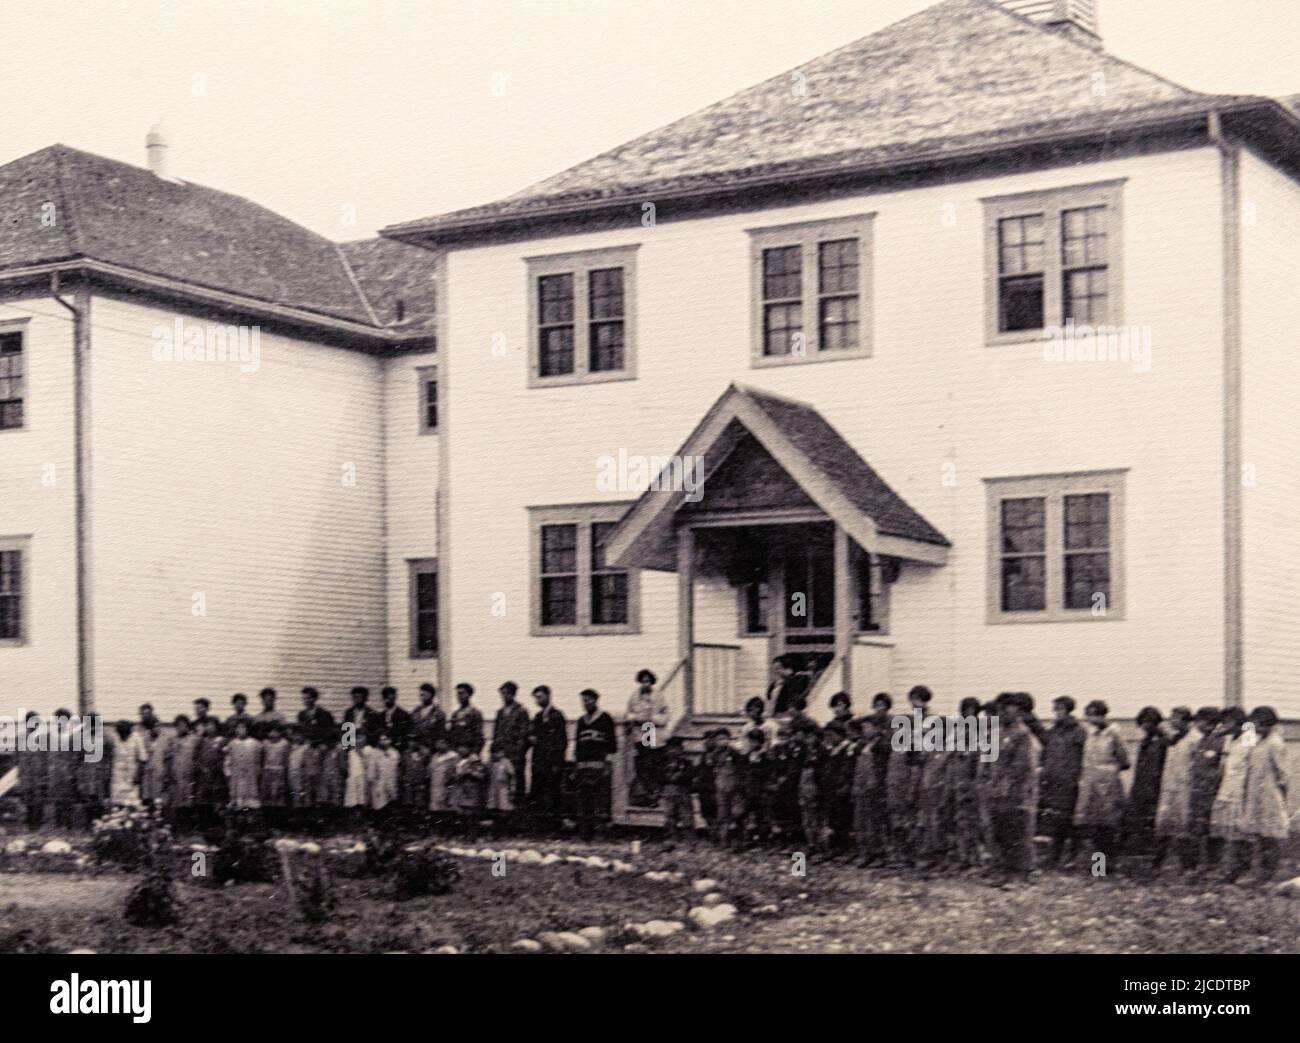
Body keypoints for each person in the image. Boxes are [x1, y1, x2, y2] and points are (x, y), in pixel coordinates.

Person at [984, 692, 1038, 888]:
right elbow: (990, 762)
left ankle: (1021, 875)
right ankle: (1004, 870)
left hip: (1018, 792)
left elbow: (1021, 766)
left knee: (1017, 832)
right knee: (1000, 831)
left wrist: (1007, 785)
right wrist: (991, 782)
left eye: (1006, 709)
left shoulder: (1022, 734)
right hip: (997, 790)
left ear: (1015, 711)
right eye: (1000, 710)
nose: (1002, 714)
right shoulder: (996, 733)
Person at [1232, 706, 1290, 884]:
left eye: (1257, 724)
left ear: (1268, 725)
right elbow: (1244, 753)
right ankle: (1247, 871)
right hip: (1252, 792)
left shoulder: (1275, 743)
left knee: (1269, 835)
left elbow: (1284, 774)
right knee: (1251, 831)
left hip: (1269, 794)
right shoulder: (1256, 740)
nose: (1253, 728)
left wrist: (1282, 797)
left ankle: (1268, 874)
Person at [1073, 700, 1129, 869]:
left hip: (1108, 786)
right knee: (1093, 827)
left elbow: (1125, 761)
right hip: (1091, 785)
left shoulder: (1114, 734)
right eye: (1089, 715)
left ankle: (1106, 865)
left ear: (1103, 715)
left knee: (1107, 827)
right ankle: (1098, 865)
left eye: (1094, 715)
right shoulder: (1090, 734)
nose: (1091, 719)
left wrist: (1107, 771)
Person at [1032, 696, 1085, 867]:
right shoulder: (1053, 731)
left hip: (1070, 781)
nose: (1056, 713)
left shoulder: (1079, 731)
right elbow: (1045, 752)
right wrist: (1043, 769)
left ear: (1068, 710)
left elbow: (1084, 756)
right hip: (1053, 781)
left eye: (1059, 709)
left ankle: (1073, 856)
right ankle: (1054, 856)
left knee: (1070, 820)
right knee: (1055, 819)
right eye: (1055, 710)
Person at [1151, 706, 1195, 876]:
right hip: (1169, 786)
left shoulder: (1194, 739)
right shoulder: (1172, 737)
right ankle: (1157, 862)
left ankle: (1186, 866)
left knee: (1184, 827)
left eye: (1175, 718)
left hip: (1186, 787)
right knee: (1163, 823)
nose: (1171, 721)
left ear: (1186, 720)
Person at [1209, 706, 1251, 876]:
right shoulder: (1228, 739)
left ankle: (1240, 869)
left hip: (1241, 790)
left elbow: (1251, 763)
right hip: (1226, 788)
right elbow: (1223, 762)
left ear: (1237, 721)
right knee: (1223, 830)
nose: (1224, 725)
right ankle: (1224, 867)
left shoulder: (1249, 735)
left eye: (1227, 722)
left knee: (1239, 832)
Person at [1123, 706, 1168, 857]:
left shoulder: (1163, 741)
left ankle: (1150, 849)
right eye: (1142, 722)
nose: (1145, 726)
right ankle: (1136, 847)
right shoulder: (1145, 740)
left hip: (1155, 785)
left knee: (1151, 817)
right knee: (1135, 816)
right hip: (1141, 784)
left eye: (1148, 722)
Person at [573, 688, 616, 840]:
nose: (585, 704)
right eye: (583, 701)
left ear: (595, 700)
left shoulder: (605, 718)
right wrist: (576, 764)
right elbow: (578, 745)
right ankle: (585, 833)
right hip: (583, 766)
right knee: (584, 800)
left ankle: (600, 833)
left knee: (600, 799)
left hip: (598, 765)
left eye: (588, 700)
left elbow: (612, 744)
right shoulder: (581, 721)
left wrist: (607, 764)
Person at [1185, 707, 1225, 872]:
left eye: (1199, 721)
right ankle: (1193, 864)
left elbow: (1219, 768)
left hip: (1210, 791)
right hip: (1198, 790)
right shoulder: (1203, 740)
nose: (1196, 724)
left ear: (1208, 723)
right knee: (1195, 829)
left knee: (1210, 829)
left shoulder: (1219, 741)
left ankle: (1211, 864)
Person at [625, 668, 669, 808]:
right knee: (643, 764)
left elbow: (666, 715)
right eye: (643, 681)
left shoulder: (659, 696)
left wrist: (653, 718)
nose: (646, 684)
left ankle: (656, 795)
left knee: (654, 764)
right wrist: (636, 718)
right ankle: (649, 795)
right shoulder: (634, 696)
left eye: (648, 681)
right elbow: (629, 713)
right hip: (641, 732)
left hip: (653, 731)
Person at [528, 685, 567, 831]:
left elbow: (561, 741)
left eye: (540, 697)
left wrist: (558, 762)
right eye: (536, 698)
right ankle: (539, 826)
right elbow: (531, 735)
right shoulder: (538, 717)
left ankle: (555, 826)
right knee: (537, 793)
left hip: (552, 762)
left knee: (553, 793)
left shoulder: (557, 716)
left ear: (548, 696)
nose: (538, 701)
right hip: (539, 761)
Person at [491, 681, 531, 807]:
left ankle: (518, 818)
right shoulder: (500, 712)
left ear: (513, 694)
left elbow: (523, 735)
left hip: (515, 757)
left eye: (507, 694)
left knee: (516, 787)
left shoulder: (521, 711)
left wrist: (517, 754)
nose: (504, 696)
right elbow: (496, 734)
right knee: (501, 789)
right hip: (501, 756)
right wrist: (494, 752)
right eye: (502, 694)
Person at [224, 718, 263, 820]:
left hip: (250, 776)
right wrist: (228, 773)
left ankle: (249, 821)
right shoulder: (232, 743)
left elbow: (259, 760)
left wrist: (257, 772)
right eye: (239, 728)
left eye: (243, 727)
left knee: (249, 799)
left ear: (248, 729)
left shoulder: (255, 743)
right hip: (236, 776)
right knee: (238, 799)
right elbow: (228, 760)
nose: (241, 730)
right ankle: (239, 822)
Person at [166, 715, 200, 831]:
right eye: (178, 726)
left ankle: (189, 828)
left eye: (184, 725)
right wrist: (170, 773)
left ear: (188, 726)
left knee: (189, 802)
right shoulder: (173, 740)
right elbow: (169, 758)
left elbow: (198, 757)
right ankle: (177, 828)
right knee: (177, 803)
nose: (181, 728)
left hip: (190, 776)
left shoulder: (194, 739)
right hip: (176, 776)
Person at [660, 737, 696, 845]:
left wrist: (679, 776)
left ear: (681, 750)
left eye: (676, 749)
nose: (673, 751)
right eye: (670, 749)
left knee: (687, 816)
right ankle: (672, 838)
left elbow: (690, 776)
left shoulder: (687, 763)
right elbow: (660, 777)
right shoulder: (663, 764)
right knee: (669, 815)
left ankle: (690, 840)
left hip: (683, 791)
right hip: (669, 791)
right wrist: (670, 776)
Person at [193, 717, 227, 829]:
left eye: (212, 725)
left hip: (217, 776)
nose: (209, 728)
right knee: (203, 801)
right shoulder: (202, 741)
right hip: (203, 777)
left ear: (217, 727)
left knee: (216, 800)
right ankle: (204, 826)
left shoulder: (222, 741)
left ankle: (216, 826)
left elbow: (225, 758)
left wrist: (217, 768)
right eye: (207, 725)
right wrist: (201, 767)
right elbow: (196, 758)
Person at [450, 744, 488, 841]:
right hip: (460, 789)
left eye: (464, 747)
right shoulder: (458, 760)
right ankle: (465, 835)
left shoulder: (474, 760)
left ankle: (472, 837)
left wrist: (469, 772)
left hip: (472, 789)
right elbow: (453, 774)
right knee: (462, 813)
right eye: (460, 747)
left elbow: (481, 775)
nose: (461, 749)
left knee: (471, 814)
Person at [739, 730, 770, 847]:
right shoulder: (745, 757)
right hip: (747, 790)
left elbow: (767, 772)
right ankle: (748, 838)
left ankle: (762, 838)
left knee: (761, 814)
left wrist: (756, 765)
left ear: (761, 743)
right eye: (751, 741)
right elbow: (742, 772)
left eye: (755, 742)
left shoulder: (765, 757)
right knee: (746, 814)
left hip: (760, 790)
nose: (752, 744)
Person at [109, 719, 145, 808]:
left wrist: (138, 776)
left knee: (131, 805)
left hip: (131, 776)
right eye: (120, 733)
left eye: (125, 733)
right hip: (117, 776)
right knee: (117, 804)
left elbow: (142, 758)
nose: (122, 736)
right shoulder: (114, 737)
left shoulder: (137, 738)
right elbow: (109, 756)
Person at [366, 731, 401, 824]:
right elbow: (371, 770)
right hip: (378, 783)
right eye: (381, 740)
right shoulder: (374, 753)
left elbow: (397, 769)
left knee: (391, 806)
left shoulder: (394, 753)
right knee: (379, 806)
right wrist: (373, 782)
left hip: (391, 783)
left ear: (390, 740)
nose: (383, 742)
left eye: (385, 739)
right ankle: (379, 828)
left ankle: (390, 828)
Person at [261, 722, 291, 826]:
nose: (273, 733)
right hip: (268, 771)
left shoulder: (284, 743)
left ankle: (279, 822)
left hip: (279, 771)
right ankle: (268, 821)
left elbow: (287, 760)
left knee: (278, 794)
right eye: (271, 731)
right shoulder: (265, 743)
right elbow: (262, 758)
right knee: (267, 794)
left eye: (276, 731)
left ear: (280, 732)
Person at [400, 730, 431, 828]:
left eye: (414, 741)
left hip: (421, 783)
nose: (412, 743)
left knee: (420, 805)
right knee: (409, 804)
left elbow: (428, 768)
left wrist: (425, 781)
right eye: (410, 741)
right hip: (409, 783)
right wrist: (403, 778)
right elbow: (402, 768)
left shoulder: (425, 752)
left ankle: (421, 826)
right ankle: (410, 827)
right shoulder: (405, 753)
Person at [428, 737, 459, 829]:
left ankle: (449, 830)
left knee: (447, 808)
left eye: (442, 743)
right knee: (436, 808)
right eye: (437, 743)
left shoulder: (453, 756)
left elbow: (456, 771)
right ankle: (439, 829)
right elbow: (430, 770)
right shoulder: (434, 756)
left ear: (447, 744)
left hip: (448, 786)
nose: (439, 745)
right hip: (435, 785)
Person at [448, 683, 485, 755]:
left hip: (470, 754)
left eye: (462, 693)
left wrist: (474, 752)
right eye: (458, 694)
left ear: (469, 694)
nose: (459, 696)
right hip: (456, 753)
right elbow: (451, 735)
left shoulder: (475, 713)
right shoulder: (455, 714)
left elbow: (479, 737)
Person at [487, 748, 517, 835]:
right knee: (494, 810)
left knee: (503, 810)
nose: (496, 755)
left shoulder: (506, 763)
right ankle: (495, 831)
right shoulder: (491, 763)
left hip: (503, 789)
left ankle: (504, 831)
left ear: (502, 753)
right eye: (494, 753)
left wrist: (512, 789)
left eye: (498, 753)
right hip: (493, 789)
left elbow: (512, 777)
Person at [411, 683, 447, 750]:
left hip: (432, 749)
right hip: (417, 749)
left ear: (431, 695)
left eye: (424, 694)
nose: (421, 697)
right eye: (420, 695)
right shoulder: (415, 712)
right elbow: (412, 730)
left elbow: (441, 735)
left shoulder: (439, 714)